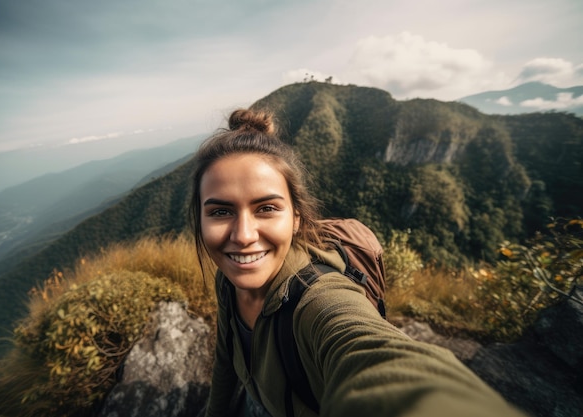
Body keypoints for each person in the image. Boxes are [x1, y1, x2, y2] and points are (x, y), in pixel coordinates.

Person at [189, 108, 526, 417]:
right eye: (220, 211)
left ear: (296, 218)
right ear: (199, 218)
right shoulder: (229, 279)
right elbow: (225, 357)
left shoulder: (316, 300)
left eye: (266, 208)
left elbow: (371, 352)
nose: (244, 235)